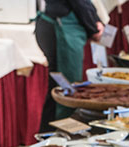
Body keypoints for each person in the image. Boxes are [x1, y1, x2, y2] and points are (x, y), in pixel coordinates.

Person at [35, 0, 104, 129]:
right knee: (67, 91)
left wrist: (94, 21)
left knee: (57, 87)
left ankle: (47, 136)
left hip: (53, 22)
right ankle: (62, 140)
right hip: (60, 27)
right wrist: (93, 27)